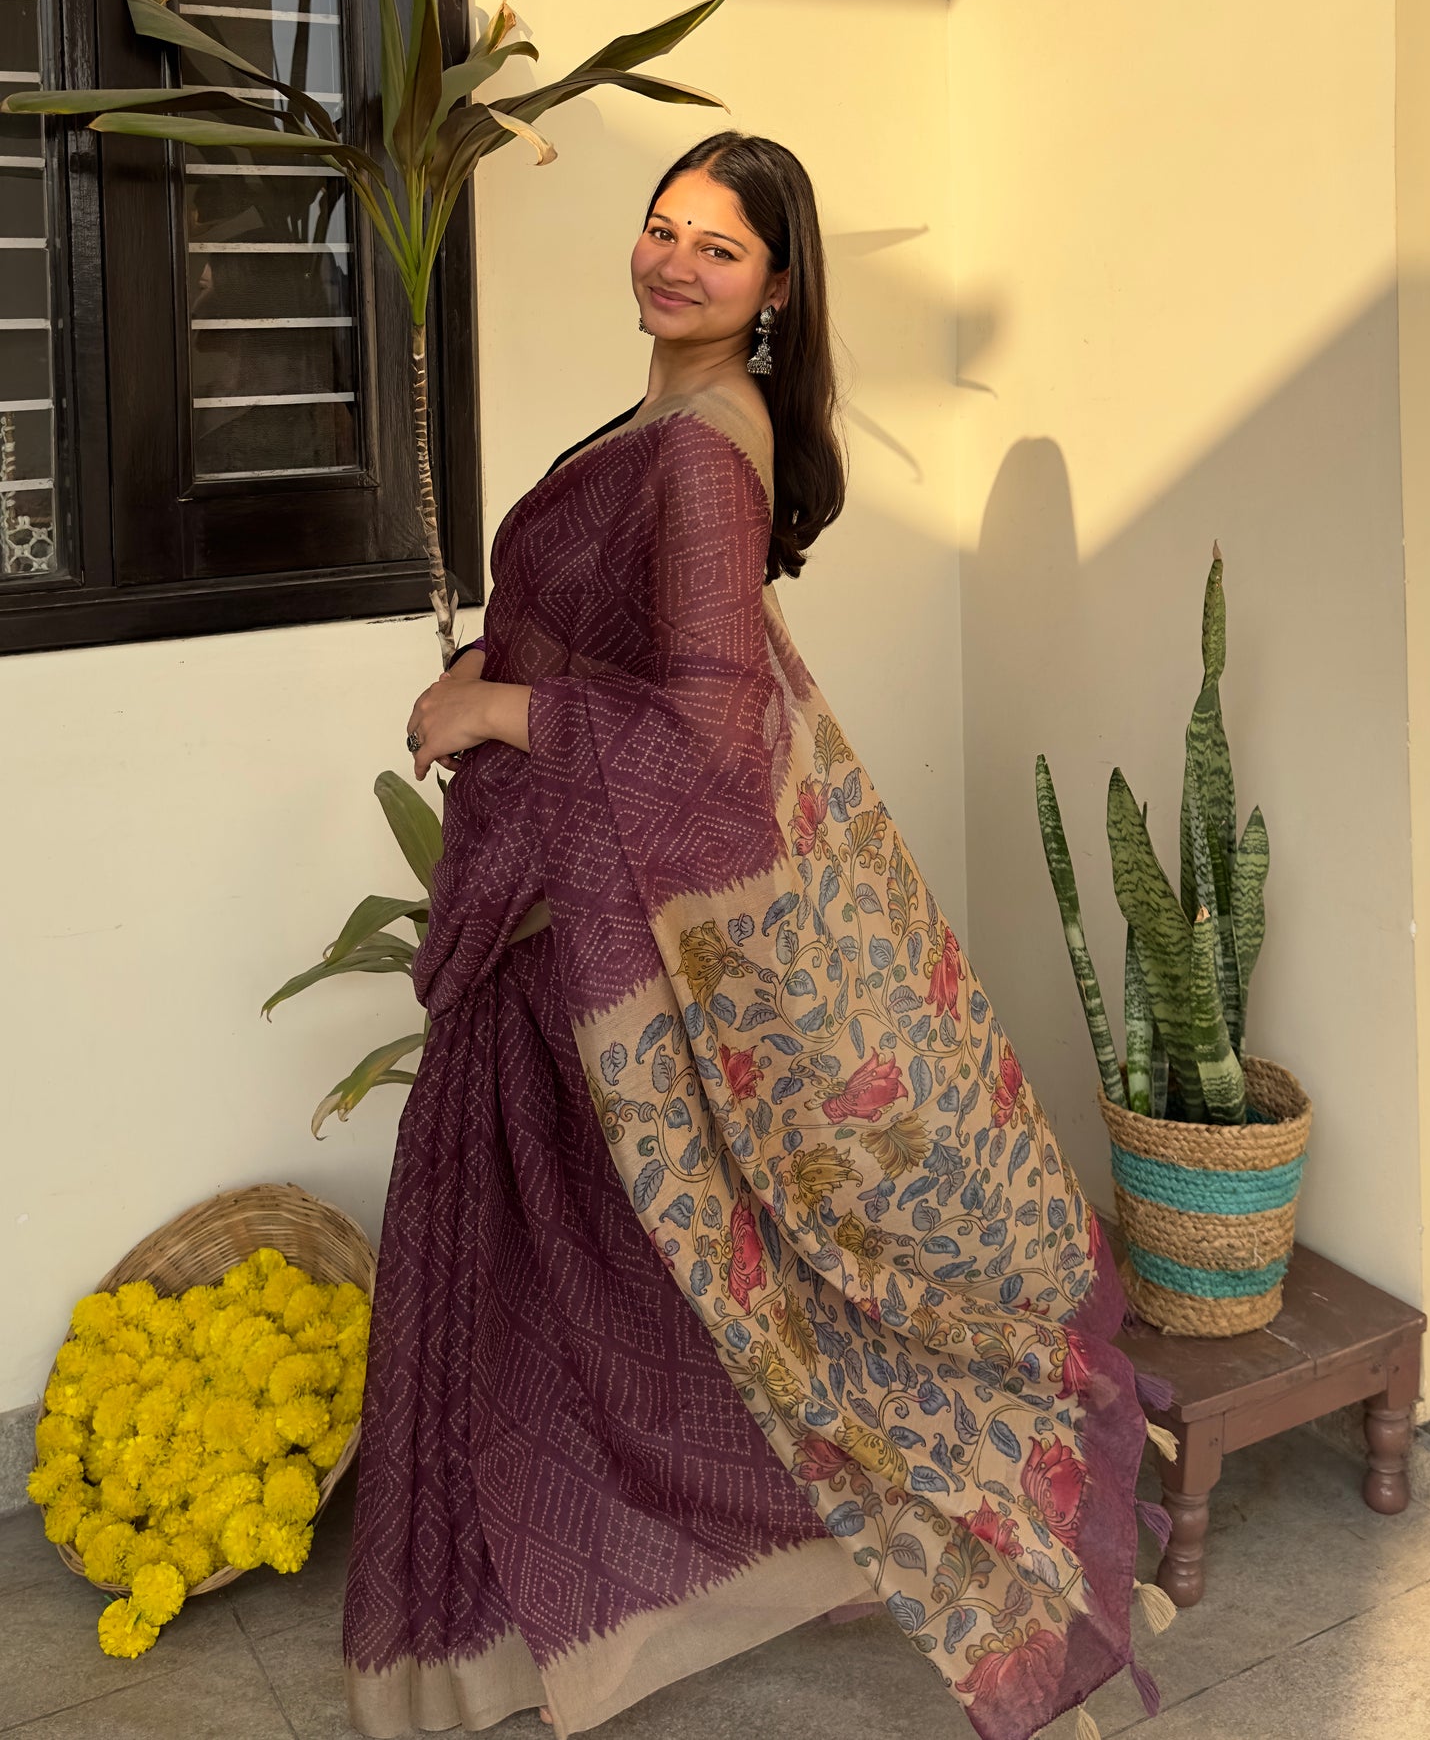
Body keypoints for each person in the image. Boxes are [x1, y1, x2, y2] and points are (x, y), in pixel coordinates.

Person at [342, 131, 1174, 1740]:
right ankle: (561, 1609)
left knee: (634, 1267)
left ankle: (596, 1601)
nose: (672, 262)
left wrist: (494, 701)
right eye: (661, 228)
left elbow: (718, 744)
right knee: (589, 1270)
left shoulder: (705, 456)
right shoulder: (672, 414)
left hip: (594, 917)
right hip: (563, 900)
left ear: (776, 288)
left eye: (717, 249)